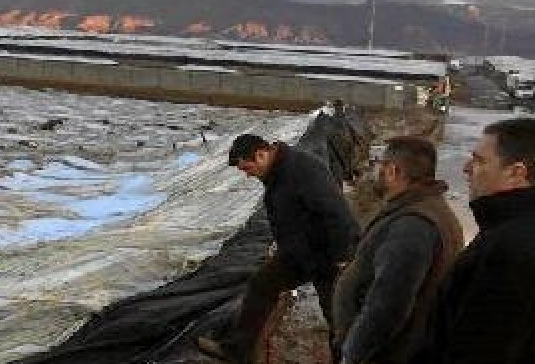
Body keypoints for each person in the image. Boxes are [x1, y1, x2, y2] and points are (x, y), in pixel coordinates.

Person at [197, 133, 360, 363]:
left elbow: (336, 213)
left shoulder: (302, 170)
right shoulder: (277, 172)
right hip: (301, 253)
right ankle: (238, 351)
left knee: (338, 318)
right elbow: (290, 213)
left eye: (247, 168)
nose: (247, 175)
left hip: (330, 256)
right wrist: (282, 244)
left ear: (261, 155)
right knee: (261, 284)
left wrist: (343, 258)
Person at [410, 117, 535, 364]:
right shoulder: (508, 229)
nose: (466, 168)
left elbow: (481, 347)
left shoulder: (510, 248)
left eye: (479, 160)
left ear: (515, 173)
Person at [331, 136, 463, 364]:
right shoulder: (425, 209)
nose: (373, 171)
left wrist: (352, 353)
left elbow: (388, 305)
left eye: (377, 164)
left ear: (392, 171)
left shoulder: (412, 225)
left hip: (387, 354)